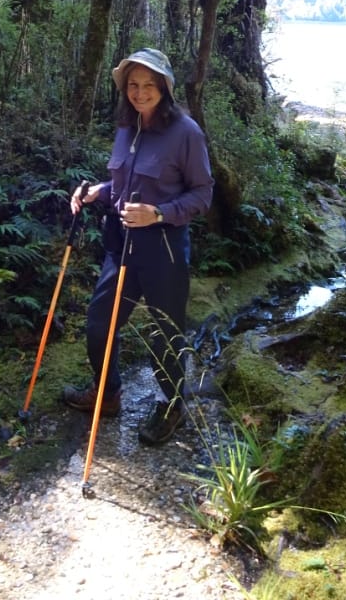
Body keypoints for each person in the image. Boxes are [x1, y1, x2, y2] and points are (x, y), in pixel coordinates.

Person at [62, 48, 213, 446]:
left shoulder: (186, 133)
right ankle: (108, 394)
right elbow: (124, 185)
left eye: (149, 85)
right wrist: (98, 191)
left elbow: (203, 194)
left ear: (164, 87)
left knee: (165, 332)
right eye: (133, 85)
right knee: (99, 324)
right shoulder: (127, 128)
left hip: (163, 249)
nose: (140, 92)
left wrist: (159, 213)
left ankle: (171, 405)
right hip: (122, 245)